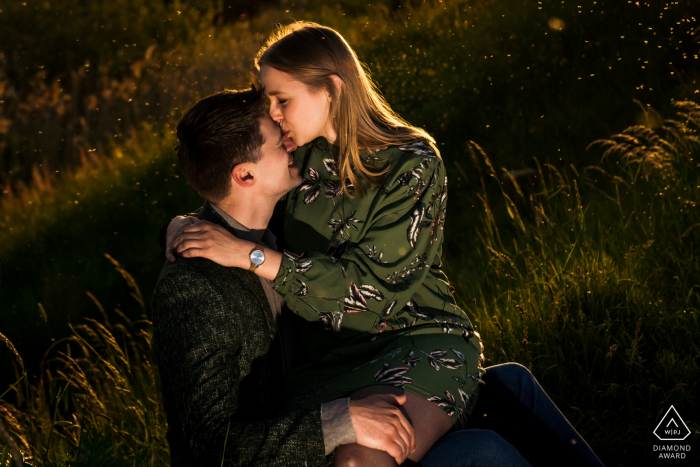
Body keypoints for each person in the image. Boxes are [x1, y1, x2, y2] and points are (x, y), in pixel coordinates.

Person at [164, 22, 605, 467]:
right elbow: (238, 187)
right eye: (269, 102)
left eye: (283, 101)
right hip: (324, 367)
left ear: (332, 90)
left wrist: (252, 256)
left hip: (410, 341)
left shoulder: (411, 165)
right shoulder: (300, 160)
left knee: (362, 458)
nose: (274, 115)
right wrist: (182, 226)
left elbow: (371, 297)